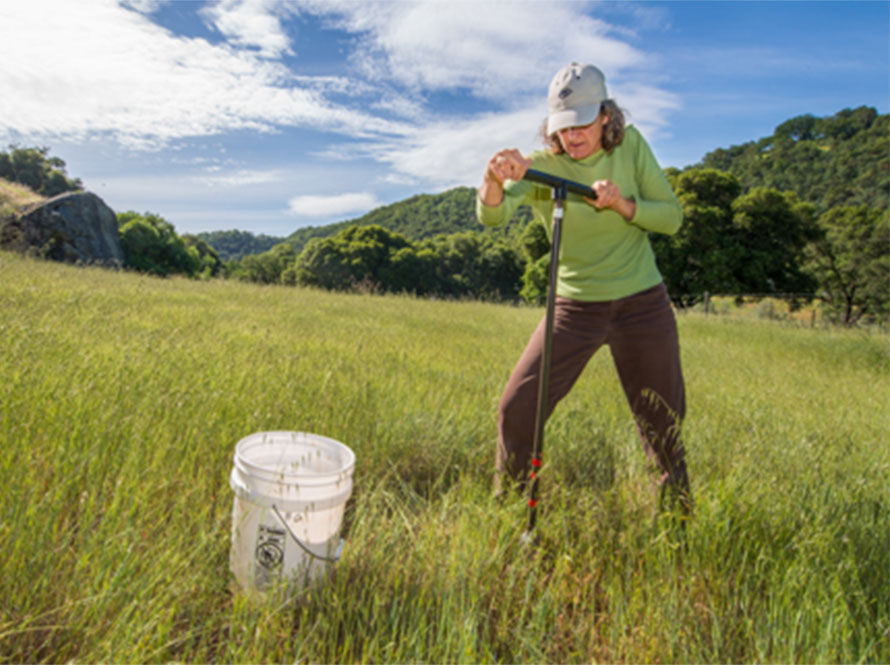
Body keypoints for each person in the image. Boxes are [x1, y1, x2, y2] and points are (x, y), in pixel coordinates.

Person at [477, 62, 691, 513]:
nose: (571, 137)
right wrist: (494, 179)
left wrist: (621, 205)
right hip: (573, 307)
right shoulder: (543, 168)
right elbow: (492, 216)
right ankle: (513, 511)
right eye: (562, 128)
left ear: (606, 117)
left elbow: (670, 218)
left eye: (582, 124)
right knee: (518, 406)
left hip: (642, 304)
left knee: (662, 421)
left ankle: (677, 524)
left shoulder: (631, 147)